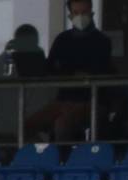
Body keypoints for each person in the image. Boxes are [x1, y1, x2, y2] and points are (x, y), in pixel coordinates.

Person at [28, 0, 111, 143]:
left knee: (62, 124)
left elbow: (100, 70)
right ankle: (40, 157)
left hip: (91, 101)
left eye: (84, 13)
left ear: (92, 14)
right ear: (70, 16)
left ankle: (62, 163)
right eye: (76, 13)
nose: (80, 16)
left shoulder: (102, 40)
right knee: (28, 125)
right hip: (63, 100)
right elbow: (49, 69)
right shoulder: (62, 40)